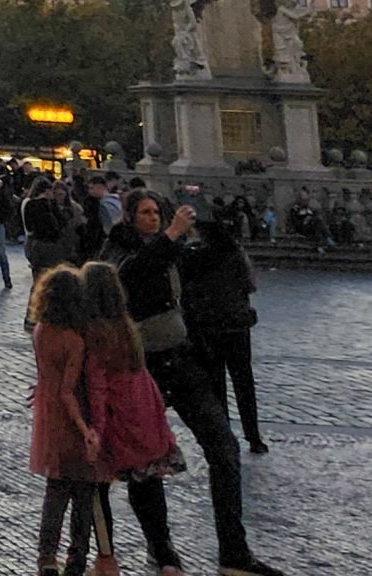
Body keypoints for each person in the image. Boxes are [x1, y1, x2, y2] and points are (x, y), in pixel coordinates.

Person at [109, 192, 284, 576]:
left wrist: (210, 220)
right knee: (147, 459)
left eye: (158, 213)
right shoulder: (118, 249)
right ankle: (161, 548)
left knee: (223, 446)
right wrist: (170, 235)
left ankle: (234, 553)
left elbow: (214, 259)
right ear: (130, 217)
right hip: (140, 366)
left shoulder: (174, 249)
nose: (153, 219)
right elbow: (132, 274)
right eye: (146, 213)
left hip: (181, 359)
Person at [78, 259, 183, 576]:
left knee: (97, 490)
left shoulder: (93, 334)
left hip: (115, 420)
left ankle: (106, 559)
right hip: (144, 415)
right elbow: (146, 381)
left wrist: (95, 431)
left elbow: (97, 389)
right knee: (148, 486)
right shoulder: (128, 327)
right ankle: (166, 557)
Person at [30, 264, 113, 576]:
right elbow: (68, 391)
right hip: (70, 418)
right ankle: (76, 557)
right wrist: (86, 429)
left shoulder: (40, 331)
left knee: (55, 491)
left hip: (46, 414)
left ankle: (46, 557)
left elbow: (47, 379)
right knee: (83, 492)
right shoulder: (73, 340)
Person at [185, 210, 264, 453]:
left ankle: (224, 434)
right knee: (244, 381)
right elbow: (249, 285)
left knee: (216, 382)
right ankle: (254, 437)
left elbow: (187, 293)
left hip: (209, 327)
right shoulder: (234, 253)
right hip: (237, 325)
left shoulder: (194, 257)